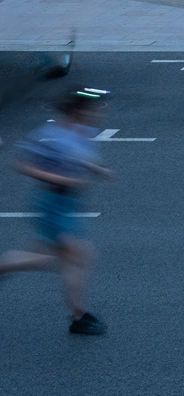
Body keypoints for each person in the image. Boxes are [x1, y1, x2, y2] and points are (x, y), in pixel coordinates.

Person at [0, 87, 111, 335]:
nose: (99, 114)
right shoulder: (51, 136)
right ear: (78, 111)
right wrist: (62, 179)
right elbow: (21, 164)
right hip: (51, 203)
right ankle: (79, 317)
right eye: (94, 110)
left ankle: (79, 315)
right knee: (75, 256)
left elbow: (73, 158)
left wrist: (91, 168)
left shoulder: (84, 131)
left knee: (74, 257)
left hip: (67, 204)